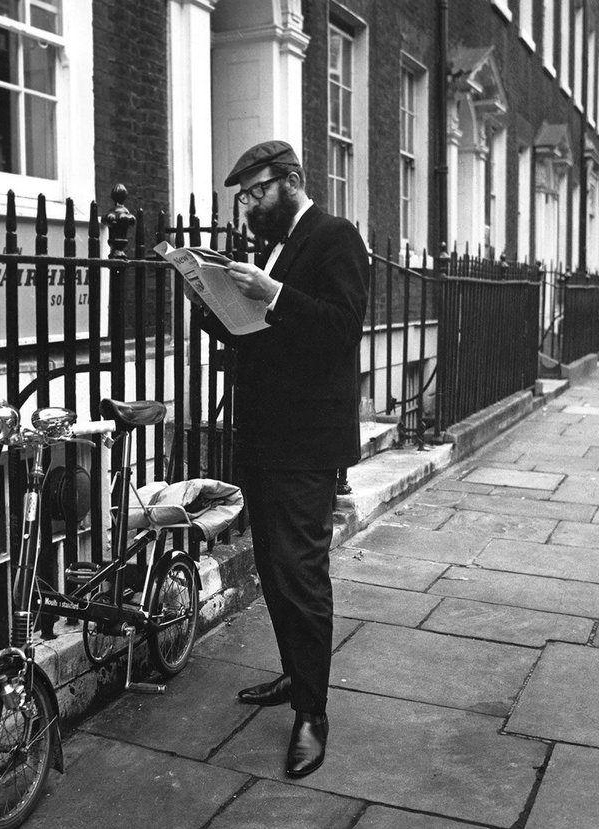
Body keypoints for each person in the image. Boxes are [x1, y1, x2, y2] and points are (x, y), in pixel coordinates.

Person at [185, 140, 369, 777]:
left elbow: (343, 326)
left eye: (257, 191)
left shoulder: (334, 236)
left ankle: (312, 714)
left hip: (306, 441)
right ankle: (295, 676)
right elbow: (265, 335)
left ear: (291, 180)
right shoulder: (277, 245)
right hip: (265, 434)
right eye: (242, 195)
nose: (248, 204)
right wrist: (211, 302)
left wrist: (272, 290)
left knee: (301, 572)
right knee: (272, 565)